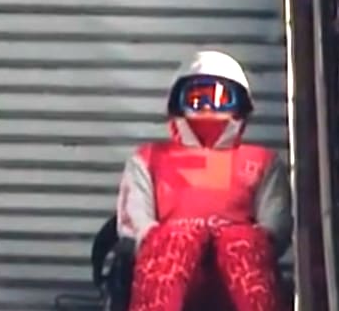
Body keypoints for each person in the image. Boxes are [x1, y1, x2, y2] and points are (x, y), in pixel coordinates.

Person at [113, 51, 290, 311]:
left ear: (239, 106)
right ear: (177, 104)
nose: (208, 107)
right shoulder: (149, 159)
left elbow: (276, 224)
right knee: (169, 241)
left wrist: (235, 242)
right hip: (169, 272)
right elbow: (135, 223)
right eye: (196, 99)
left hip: (239, 278)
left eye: (220, 99)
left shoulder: (261, 162)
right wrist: (177, 241)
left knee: (242, 241)